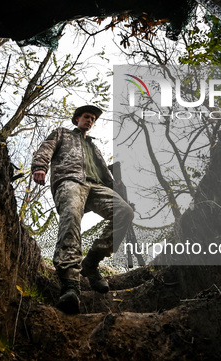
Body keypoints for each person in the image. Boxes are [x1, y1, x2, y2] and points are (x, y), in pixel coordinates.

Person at [31, 105, 134, 314]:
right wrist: (40, 166)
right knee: (71, 221)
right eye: (87, 117)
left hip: (97, 187)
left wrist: (118, 192)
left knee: (125, 212)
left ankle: (92, 262)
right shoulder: (63, 134)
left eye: (93, 119)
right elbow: (46, 148)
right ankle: (70, 285)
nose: (90, 121)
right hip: (70, 181)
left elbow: (105, 174)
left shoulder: (94, 147)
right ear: (77, 118)